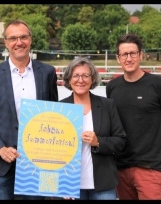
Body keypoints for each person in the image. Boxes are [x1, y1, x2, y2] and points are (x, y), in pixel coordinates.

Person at [0, 19, 58, 200]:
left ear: (30, 39)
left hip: (37, 163)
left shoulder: (47, 73)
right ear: (6, 42)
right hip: (2, 162)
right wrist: (0, 148)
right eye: (13, 38)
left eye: (23, 37)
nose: (19, 42)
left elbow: (54, 118)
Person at [106, 34, 161, 200]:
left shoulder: (159, 84)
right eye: (124, 54)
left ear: (141, 55)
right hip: (122, 166)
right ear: (118, 58)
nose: (129, 58)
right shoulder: (112, 87)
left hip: (150, 168)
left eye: (133, 53)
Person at [60, 57, 126, 200]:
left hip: (103, 184)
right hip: (71, 185)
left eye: (85, 75)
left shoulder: (107, 105)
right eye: (76, 75)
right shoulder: (60, 108)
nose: (80, 80)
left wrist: (98, 142)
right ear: (69, 80)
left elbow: (120, 141)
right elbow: (52, 151)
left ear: (92, 79)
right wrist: (61, 185)